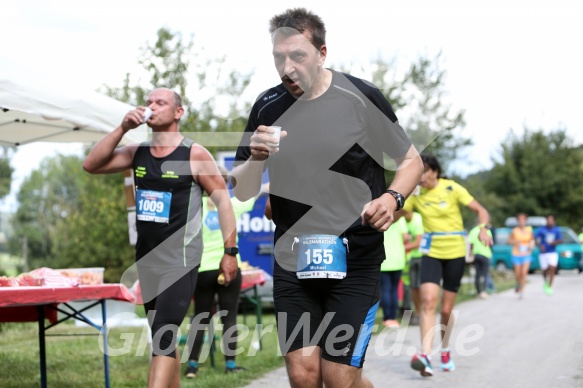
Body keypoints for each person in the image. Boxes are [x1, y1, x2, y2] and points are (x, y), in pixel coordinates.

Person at [231, 8, 423, 388]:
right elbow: (243, 188)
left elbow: (411, 161)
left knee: (339, 380)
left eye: (297, 56)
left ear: (321, 53)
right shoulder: (267, 107)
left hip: (356, 256)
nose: (287, 68)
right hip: (293, 257)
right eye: (278, 57)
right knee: (304, 376)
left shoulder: (361, 97)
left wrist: (392, 197)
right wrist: (254, 159)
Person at [83, 88, 238, 388]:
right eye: (149, 101)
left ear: (178, 113)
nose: (151, 106)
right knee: (161, 338)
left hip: (180, 261)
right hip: (148, 261)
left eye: (160, 102)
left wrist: (229, 251)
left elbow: (223, 202)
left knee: (164, 334)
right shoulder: (137, 152)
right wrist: (122, 128)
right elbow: (91, 165)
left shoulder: (193, 154)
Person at [402, 153, 492, 377]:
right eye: (417, 173)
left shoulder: (452, 188)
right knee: (428, 301)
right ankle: (425, 356)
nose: (421, 178)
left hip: (455, 252)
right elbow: (396, 216)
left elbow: (481, 211)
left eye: (424, 173)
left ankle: (445, 349)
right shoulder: (417, 193)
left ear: (435, 172)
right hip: (431, 252)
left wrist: (483, 228)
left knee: (445, 309)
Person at [184, 167, 265, 378]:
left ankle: (192, 365)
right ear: (227, 184)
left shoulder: (195, 206)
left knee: (200, 318)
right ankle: (230, 365)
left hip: (203, 269)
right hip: (229, 266)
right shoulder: (232, 205)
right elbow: (259, 191)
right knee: (229, 317)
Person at [380, 217, 409, 329]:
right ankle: (394, 317)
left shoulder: (381, 217)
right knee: (394, 289)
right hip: (398, 259)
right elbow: (405, 237)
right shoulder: (400, 219)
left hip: (384, 261)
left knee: (385, 289)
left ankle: (387, 318)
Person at [402, 211, 424, 325]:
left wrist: (402, 247)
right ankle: (418, 313)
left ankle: (423, 312)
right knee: (413, 287)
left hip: (421, 257)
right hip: (410, 258)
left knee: (419, 287)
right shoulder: (401, 219)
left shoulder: (417, 218)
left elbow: (418, 242)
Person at [507, 213, 534, 299]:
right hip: (516, 254)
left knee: (524, 273)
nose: (522, 222)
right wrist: (515, 242)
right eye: (520, 220)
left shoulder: (529, 230)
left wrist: (531, 245)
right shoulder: (514, 231)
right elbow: (508, 241)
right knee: (518, 274)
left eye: (523, 220)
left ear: (526, 221)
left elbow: (532, 240)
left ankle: (521, 292)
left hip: (526, 254)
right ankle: (519, 284)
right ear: (518, 221)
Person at [535, 214, 562, 295]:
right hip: (543, 253)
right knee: (544, 270)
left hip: (552, 252)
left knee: (552, 268)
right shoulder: (542, 229)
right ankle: (546, 282)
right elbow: (535, 238)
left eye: (551, 220)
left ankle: (549, 287)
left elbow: (560, 240)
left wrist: (554, 242)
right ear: (546, 221)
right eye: (548, 220)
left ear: (553, 221)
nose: (550, 222)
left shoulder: (556, 230)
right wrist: (539, 245)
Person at [468, 221, 494, 299]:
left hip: (476, 254)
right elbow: (490, 243)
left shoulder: (473, 231)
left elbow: (471, 244)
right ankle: (483, 291)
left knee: (477, 274)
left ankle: (478, 292)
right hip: (485, 254)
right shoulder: (487, 230)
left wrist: (470, 253)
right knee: (485, 274)